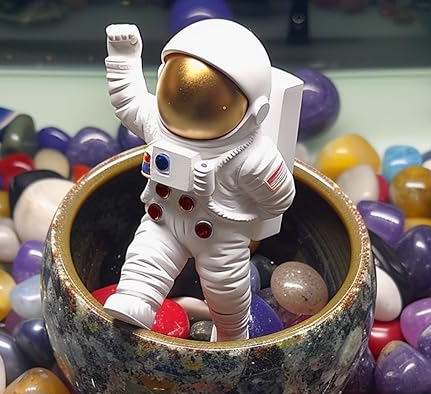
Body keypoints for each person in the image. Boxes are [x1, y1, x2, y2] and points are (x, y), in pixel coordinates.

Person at [103, 18, 297, 341]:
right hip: (165, 220)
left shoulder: (252, 155)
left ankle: (231, 333)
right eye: (181, 91)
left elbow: (280, 199)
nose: (190, 107)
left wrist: (240, 183)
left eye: (209, 104)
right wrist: (123, 57)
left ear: (254, 112)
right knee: (145, 259)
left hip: (220, 235)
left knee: (227, 290)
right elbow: (128, 101)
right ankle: (138, 299)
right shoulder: (157, 123)